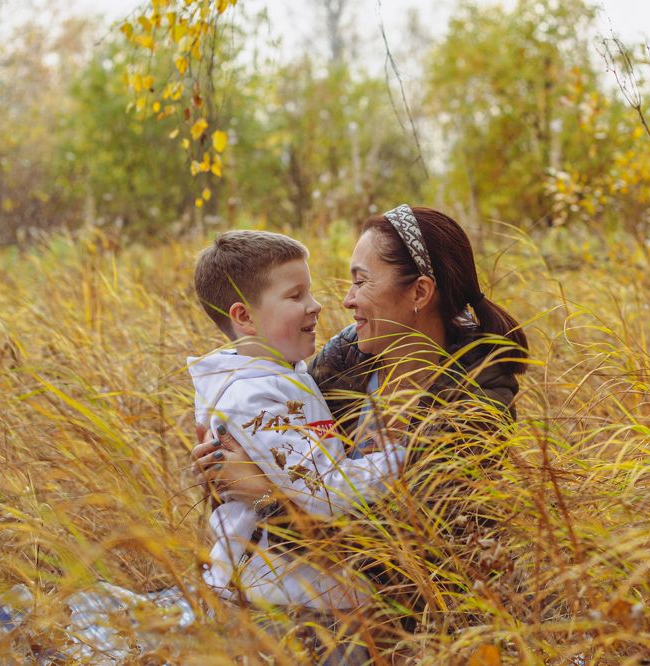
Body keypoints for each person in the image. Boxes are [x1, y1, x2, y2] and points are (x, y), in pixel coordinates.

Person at [193, 206, 530, 653]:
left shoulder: (479, 393)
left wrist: (267, 496)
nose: (346, 300)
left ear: (420, 292)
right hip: (311, 592)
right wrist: (216, 471)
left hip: (421, 615)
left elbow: (406, 548)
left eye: (360, 280)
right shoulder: (347, 358)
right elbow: (277, 453)